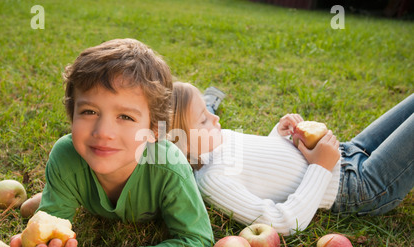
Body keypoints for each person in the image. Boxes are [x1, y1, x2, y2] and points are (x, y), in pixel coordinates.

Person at [10, 40, 213, 247]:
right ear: (72, 115)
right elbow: (51, 228)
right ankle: (54, 194)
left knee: (206, 143)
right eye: (89, 111)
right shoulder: (66, 155)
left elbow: (197, 242)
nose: (103, 132)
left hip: (181, 160)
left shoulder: (170, 166)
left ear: (153, 130)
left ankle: (211, 104)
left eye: (125, 117)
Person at [169, 81, 413, 236]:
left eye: (207, 110)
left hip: (349, 152)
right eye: (203, 119)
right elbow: (282, 222)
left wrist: (279, 134)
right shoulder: (212, 180)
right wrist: (320, 166)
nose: (215, 119)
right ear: (181, 145)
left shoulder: (215, 140)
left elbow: (262, 168)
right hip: (359, 186)